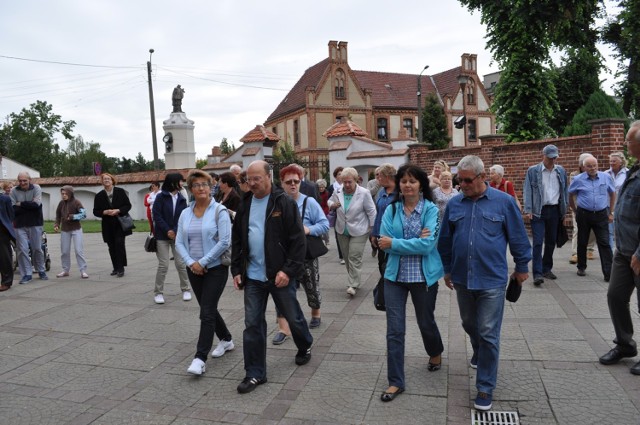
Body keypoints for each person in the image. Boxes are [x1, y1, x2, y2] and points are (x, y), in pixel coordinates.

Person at [438, 155, 531, 411]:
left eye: (467, 180)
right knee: (469, 323)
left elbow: (519, 237)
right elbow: (445, 240)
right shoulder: (455, 204)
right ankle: (478, 350)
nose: (462, 185)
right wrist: (446, 270)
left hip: (492, 278)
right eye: (460, 180)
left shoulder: (504, 203)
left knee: (489, 331)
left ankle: (485, 386)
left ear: (482, 178)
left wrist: (522, 267)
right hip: (462, 277)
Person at [231, 160, 313, 394]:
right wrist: (236, 270)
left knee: (293, 316)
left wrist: (287, 271)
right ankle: (255, 373)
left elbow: (298, 240)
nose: (253, 183)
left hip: (279, 274)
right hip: (253, 276)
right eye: (249, 179)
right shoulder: (245, 203)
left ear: (269, 177)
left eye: (257, 178)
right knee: (252, 324)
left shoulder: (283, 202)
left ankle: (305, 344)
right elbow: (237, 239)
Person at [377, 164, 444, 402]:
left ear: (421, 184)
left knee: (425, 321)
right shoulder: (391, 209)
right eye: (403, 181)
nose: (407, 185)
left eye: (412, 181)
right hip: (395, 278)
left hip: (423, 278)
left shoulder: (431, 210)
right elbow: (381, 240)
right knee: (394, 330)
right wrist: (412, 241)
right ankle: (396, 381)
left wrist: (395, 243)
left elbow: (428, 246)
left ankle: (435, 351)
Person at [176, 170, 234, 375]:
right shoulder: (185, 212)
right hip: (194, 268)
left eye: (205, 184)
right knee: (207, 308)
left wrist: (203, 262)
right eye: (196, 185)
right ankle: (226, 339)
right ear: (190, 189)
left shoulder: (220, 211)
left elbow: (225, 241)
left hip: (216, 268)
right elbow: (179, 242)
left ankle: (200, 358)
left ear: (211, 188)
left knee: (206, 312)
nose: (201, 188)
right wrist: (192, 263)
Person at [599, 121, 640, 376]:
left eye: (628, 139)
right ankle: (625, 344)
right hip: (623, 251)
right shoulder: (634, 170)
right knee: (615, 296)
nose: (625, 144)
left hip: (638, 253)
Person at [272, 165, 329, 343]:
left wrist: (308, 229)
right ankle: (283, 327)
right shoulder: (275, 202)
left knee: (310, 285)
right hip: (283, 255)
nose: (293, 185)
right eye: (288, 182)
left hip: (305, 253)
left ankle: (315, 313)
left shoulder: (308, 202)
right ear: (282, 183)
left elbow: (324, 224)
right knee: (281, 290)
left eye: (296, 181)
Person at [523, 144, 568, 286]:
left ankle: (546, 268)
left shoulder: (560, 171)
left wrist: (564, 211)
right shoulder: (533, 171)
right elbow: (528, 190)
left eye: (555, 158)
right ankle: (537, 273)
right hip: (538, 210)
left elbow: (564, 191)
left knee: (550, 241)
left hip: (554, 210)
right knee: (537, 242)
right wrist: (528, 209)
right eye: (550, 158)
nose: (552, 160)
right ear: (544, 156)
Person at [328, 167, 377, 296]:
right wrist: (332, 205)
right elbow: (329, 201)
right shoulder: (338, 191)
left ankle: (353, 284)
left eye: (350, 182)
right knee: (346, 256)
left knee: (354, 256)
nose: (347, 185)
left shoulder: (364, 193)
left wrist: (373, 230)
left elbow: (372, 211)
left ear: (356, 180)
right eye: (345, 182)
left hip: (360, 229)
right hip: (341, 229)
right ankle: (354, 279)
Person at [568, 156, 615, 281]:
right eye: (589, 166)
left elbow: (612, 193)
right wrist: (574, 209)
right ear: (584, 167)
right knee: (582, 241)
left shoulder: (606, 177)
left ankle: (608, 272)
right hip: (584, 214)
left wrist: (611, 212)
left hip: (601, 214)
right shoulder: (578, 179)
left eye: (595, 165)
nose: (593, 168)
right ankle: (581, 267)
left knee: (604, 242)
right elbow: (571, 194)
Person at [152, 173, 191, 304]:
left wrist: (174, 230)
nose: (182, 183)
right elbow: (157, 216)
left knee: (181, 264)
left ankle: (186, 289)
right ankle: (158, 293)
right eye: (180, 181)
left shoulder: (181, 198)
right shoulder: (160, 197)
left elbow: (183, 216)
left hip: (177, 235)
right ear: (173, 182)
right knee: (163, 265)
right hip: (162, 236)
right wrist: (167, 230)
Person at [10, 172, 48, 284]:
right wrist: (28, 205)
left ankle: (41, 269)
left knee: (37, 248)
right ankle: (26, 274)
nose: (22, 183)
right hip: (19, 224)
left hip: (35, 223)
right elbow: (13, 209)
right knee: (22, 250)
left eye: (24, 180)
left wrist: (20, 204)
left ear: (29, 180)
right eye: (20, 180)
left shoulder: (36, 188)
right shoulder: (14, 191)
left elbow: (36, 205)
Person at [93, 173, 132, 277]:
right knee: (111, 246)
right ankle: (115, 267)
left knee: (119, 244)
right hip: (107, 225)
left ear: (112, 180)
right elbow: (95, 211)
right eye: (104, 179)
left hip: (119, 223)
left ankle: (121, 268)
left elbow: (128, 205)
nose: (106, 180)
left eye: (108, 179)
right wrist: (104, 212)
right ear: (102, 182)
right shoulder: (99, 195)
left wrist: (118, 210)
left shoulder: (120, 192)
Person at [370, 163, 398, 295]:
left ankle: (394, 287)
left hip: (395, 236)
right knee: (382, 263)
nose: (378, 179)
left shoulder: (400, 193)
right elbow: (378, 214)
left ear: (387, 176)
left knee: (392, 262)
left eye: (380, 176)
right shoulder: (381, 192)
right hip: (381, 235)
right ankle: (387, 287)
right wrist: (374, 234)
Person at [53, 186, 88, 279]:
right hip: (65, 230)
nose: (63, 195)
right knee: (64, 251)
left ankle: (83, 270)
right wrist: (56, 224)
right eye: (62, 194)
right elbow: (58, 215)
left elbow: (84, 214)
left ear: (70, 193)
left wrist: (72, 217)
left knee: (78, 250)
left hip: (76, 229)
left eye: (65, 194)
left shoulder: (77, 202)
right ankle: (65, 270)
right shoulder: (61, 203)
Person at [569, 154, 597, 264]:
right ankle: (575, 253)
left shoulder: (596, 175)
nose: (590, 167)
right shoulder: (574, 175)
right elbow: (572, 193)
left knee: (592, 230)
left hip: (593, 208)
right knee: (577, 228)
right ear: (581, 166)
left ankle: (589, 249)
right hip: (578, 207)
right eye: (586, 165)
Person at [605, 151, 628, 250]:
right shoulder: (605, 174)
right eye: (610, 161)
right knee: (608, 232)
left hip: (622, 207)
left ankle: (621, 251)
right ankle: (611, 255)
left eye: (614, 161)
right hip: (608, 206)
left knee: (621, 231)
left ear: (621, 162)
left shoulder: (628, 173)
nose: (611, 163)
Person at [328, 166, 345, 264]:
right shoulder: (332, 187)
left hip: (348, 214)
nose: (341, 175)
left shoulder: (348, 185)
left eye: (342, 173)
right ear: (335, 176)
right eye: (339, 174)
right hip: (337, 214)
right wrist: (333, 205)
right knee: (338, 234)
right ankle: (342, 256)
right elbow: (329, 200)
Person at [0, 189, 15, 291]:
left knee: (4, 257)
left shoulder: (5, 199)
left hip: (2, 231)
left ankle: (6, 282)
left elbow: (11, 216)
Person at [316, 179, 331, 246]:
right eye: (320, 187)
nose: (321, 188)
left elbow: (326, 205)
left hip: (324, 212)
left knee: (325, 229)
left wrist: (324, 213)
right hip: (316, 212)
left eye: (323, 187)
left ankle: (327, 241)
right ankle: (320, 241)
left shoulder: (326, 194)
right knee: (318, 228)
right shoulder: (315, 193)